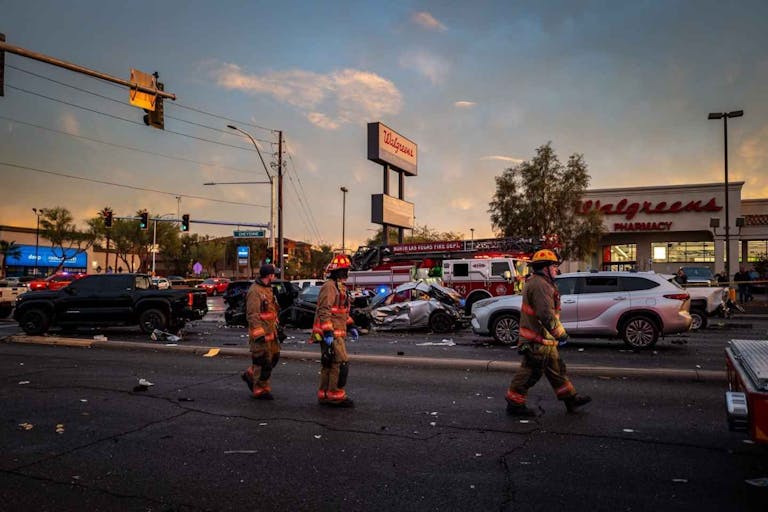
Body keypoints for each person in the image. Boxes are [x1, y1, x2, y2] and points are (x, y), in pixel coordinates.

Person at [505, 249, 591, 416]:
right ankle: (514, 404)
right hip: (537, 340)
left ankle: (570, 399)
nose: (556, 270)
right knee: (530, 372)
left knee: (557, 371)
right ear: (545, 268)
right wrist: (561, 334)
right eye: (554, 266)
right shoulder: (540, 285)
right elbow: (545, 314)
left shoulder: (543, 283)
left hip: (545, 340)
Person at [312, 254, 359, 407]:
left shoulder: (340, 287)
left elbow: (342, 310)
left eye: (347, 270)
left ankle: (325, 394)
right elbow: (324, 310)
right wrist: (327, 332)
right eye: (344, 270)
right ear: (336, 271)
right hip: (331, 333)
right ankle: (335, 395)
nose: (346, 273)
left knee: (329, 363)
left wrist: (351, 325)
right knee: (340, 363)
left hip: (337, 332)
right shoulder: (329, 286)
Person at [241, 264, 282, 400]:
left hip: (271, 333)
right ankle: (259, 388)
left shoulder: (268, 289)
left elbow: (272, 311)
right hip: (261, 334)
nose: (275, 277)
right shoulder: (255, 291)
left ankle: (251, 374)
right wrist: (258, 334)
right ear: (269, 276)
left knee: (273, 358)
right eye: (274, 274)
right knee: (263, 362)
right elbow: (252, 314)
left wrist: (278, 329)